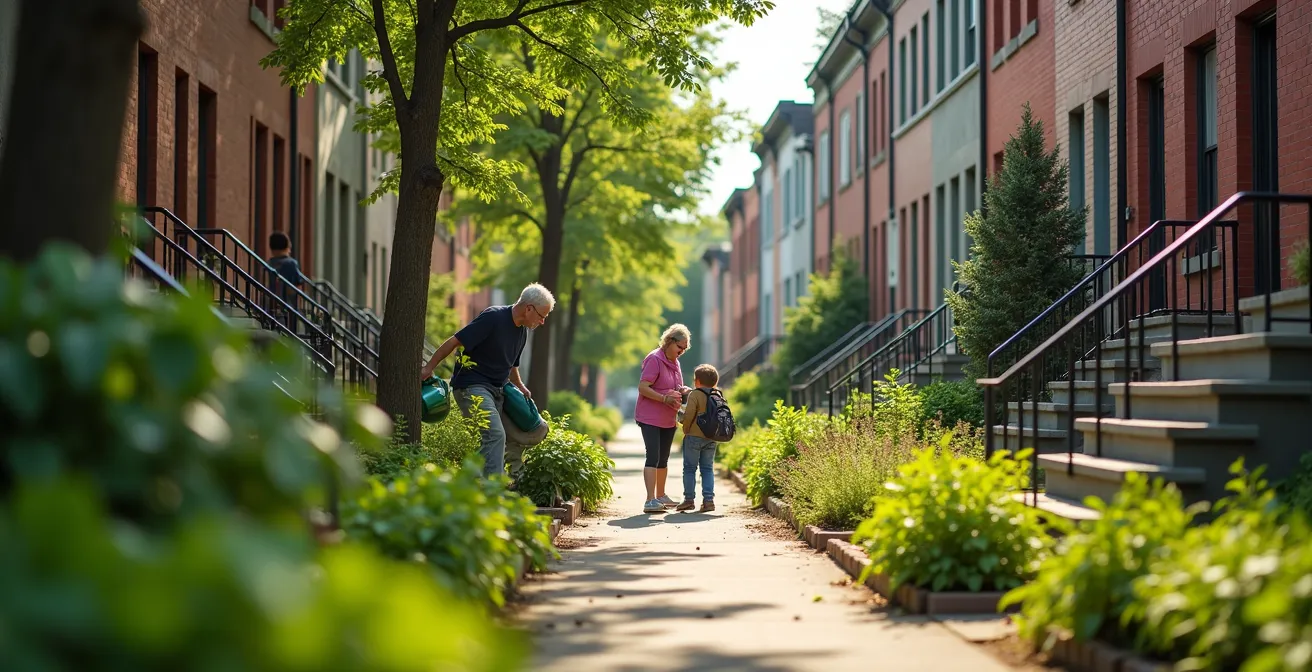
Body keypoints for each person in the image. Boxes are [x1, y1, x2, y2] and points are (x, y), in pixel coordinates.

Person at [420, 283, 554, 477]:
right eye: (542, 316)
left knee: (529, 431)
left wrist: (521, 387)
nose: (542, 322)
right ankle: (490, 489)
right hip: (472, 386)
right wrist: (428, 368)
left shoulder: (522, 331)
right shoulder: (494, 317)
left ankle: (512, 479)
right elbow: (455, 341)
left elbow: (511, 366)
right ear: (529, 308)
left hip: (499, 390)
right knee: (494, 435)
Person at [635, 324, 692, 514]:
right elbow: (643, 387)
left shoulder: (675, 361)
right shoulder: (655, 359)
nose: (682, 352)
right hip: (650, 416)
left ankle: (660, 495)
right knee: (653, 455)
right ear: (669, 341)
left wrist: (682, 390)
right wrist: (663, 398)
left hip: (668, 416)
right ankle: (649, 500)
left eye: (685, 349)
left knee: (663, 458)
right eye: (680, 347)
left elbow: (676, 385)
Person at [676, 364, 721, 513]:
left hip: (694, 436)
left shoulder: (695, 394)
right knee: (707, 469)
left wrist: (686, 427)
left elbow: (688, 414)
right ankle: (709, 501)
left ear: (698, 381)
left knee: (689, 468)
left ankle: (689, 500)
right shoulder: (718, 394)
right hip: (711, 437)